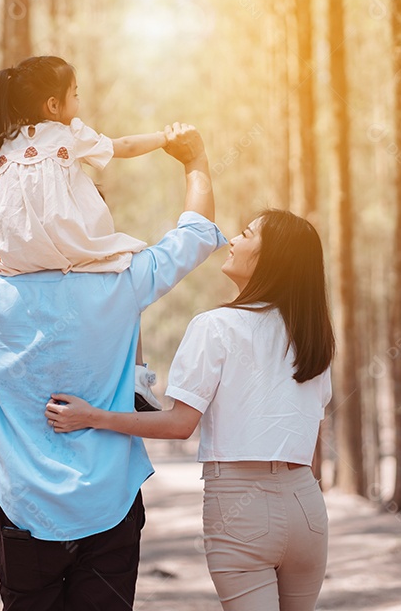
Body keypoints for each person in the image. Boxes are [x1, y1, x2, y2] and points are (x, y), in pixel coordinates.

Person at [0, 123, 227, 610]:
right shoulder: (125, 280)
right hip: (109, 506)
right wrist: (194, 162)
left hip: (25, 511)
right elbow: (196, 235)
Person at [46, 210, 336, 611]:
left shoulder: (216, 325)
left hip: (241, 505)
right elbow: (308, 433)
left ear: (271, 258)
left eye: (247, 233)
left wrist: (93, 416)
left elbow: (181, 424)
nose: (233, 239)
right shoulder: (313, 339)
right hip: (306, 504)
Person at [0, 55, 170, 275]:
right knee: (115, 256)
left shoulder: (3, 143)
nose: (78, 100)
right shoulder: (70, 135)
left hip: (14, 254)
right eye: (74, 94)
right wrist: (164, 138)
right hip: (70, 248)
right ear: (53, 105)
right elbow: (124, 146)